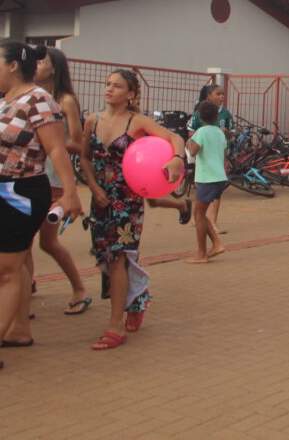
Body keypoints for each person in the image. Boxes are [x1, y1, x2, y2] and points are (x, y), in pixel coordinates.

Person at [0, 42, 82, 381]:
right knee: (6, 267)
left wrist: (70, 193)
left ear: (14, 66)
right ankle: (16, 330)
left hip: (13, 193)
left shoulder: (39, 99)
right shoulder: (2, 102)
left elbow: (56, 147)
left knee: (5, 271)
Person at [80, 69, 185, 350]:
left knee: (118, 259)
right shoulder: (92, 120)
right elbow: (85, 158)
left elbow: (175, 138)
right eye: (108, 84)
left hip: (127, 203)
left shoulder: (137, 122)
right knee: (107, 258)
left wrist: (176, 158)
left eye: (117, 86)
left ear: (130, 94)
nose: (109, 89)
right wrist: (93, 187)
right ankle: (138, 299)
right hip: (100, 200)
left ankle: (115, 327)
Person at [29, 47, 91, 315]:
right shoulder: (30, 96)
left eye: (41, 60)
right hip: (28, 176)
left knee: (47, 242)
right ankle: (23, 288)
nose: (36, 64)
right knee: (21, 240)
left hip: (54, 179)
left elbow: (78, 144)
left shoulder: (64, 101)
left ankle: (79, 289)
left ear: (54, 67)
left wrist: (49, 142)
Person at [185, 100, 228, 264]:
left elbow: (194, 152)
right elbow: (224, 155)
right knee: (200, 214)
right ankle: (216, 244)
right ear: (217, 116)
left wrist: (189, 143)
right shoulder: (219, 133)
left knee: (198, 214)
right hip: (219, 177)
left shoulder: (201, 132)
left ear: (200, 117)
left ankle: (202, 253)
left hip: (207, 178)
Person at [186, 84, 233, 232]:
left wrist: (226, 132)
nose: (222, 97)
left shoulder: (226, 115)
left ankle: (212, 222)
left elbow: (231, 134)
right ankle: (199, 219)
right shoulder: (198, 115)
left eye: (223, 94)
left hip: (216, 159)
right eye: (218, 94)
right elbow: (191, 133)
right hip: (205, 160)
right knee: (203, 191)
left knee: (212, 193)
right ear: (209, 96)